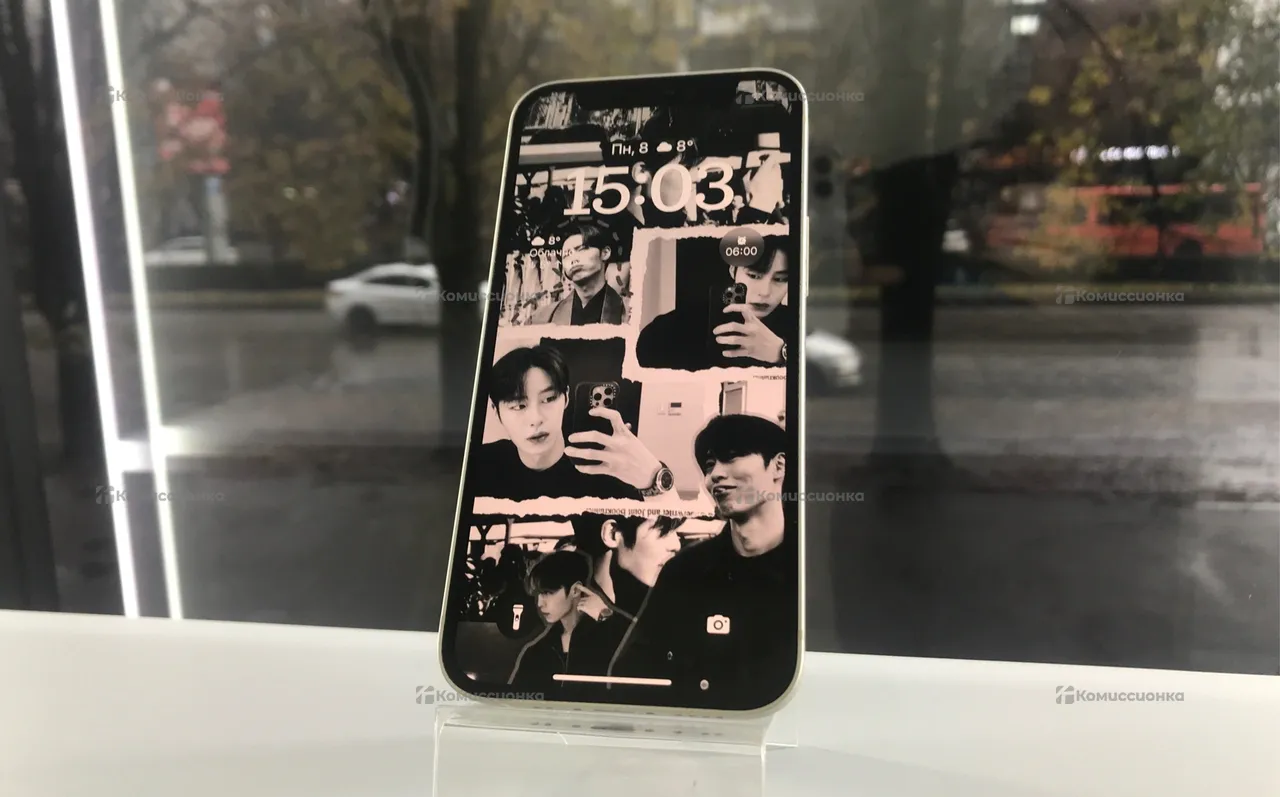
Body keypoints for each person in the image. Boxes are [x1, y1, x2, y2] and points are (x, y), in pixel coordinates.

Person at [609, 414, 799, 707]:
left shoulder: (810, 569)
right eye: (709, 465)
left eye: (731, 457)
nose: (716, 475)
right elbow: (631, 676)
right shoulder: (685, 571)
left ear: (778, 466)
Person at [469, 344, 675, 501]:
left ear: (566, 397)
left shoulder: (607, 467)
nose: (536, 419)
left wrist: (653, 476)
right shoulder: (478, 466)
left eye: (548, 399)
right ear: (496, 411)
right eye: (518, 406)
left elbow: (667, 531)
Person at [636, 237, 794, 371]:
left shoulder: (798, 325)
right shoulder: (679, 324)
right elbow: (646, 351)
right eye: (753, 275)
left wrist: (781, 352)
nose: (765, 291)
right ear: (733, 270)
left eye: (780, 279)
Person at [563, 514, 685, 676]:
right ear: (612, 534)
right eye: (664, 530)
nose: (676, 545)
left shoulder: (660, 604)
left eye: (676, 532)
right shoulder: (581, 624)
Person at [507, 550, 597, 694]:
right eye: (538, 594)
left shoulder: (606, 641)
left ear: (575, 590)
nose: (540, 603)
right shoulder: (536, 652)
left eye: (548, 593)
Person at [531, 220, 626, 325]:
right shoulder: (541, 318)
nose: (573, 259)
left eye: (581, 249)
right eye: (566, 254)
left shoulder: (630, 313)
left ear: (605, 253)